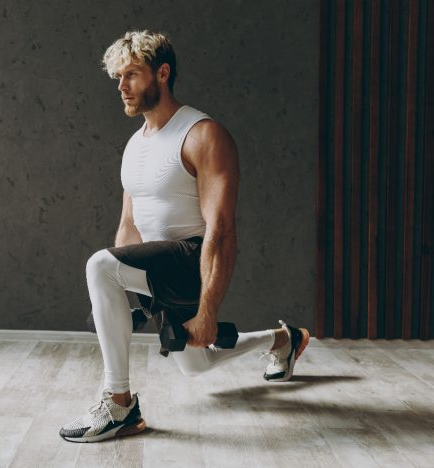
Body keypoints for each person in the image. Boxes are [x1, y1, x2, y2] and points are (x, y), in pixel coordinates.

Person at [59, 30, 310, 443]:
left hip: (194, 260)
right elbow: (129, 225)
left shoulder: (202, 134)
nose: (121, 86)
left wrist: (208, 309)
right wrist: (131, 299)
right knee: (198, 363)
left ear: (162, 73)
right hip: (159, 268)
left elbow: (222, 231)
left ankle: (119, 404)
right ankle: (284, 338)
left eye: (132, 75)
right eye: (117, 77)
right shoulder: (135, 145)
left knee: (99, 264)